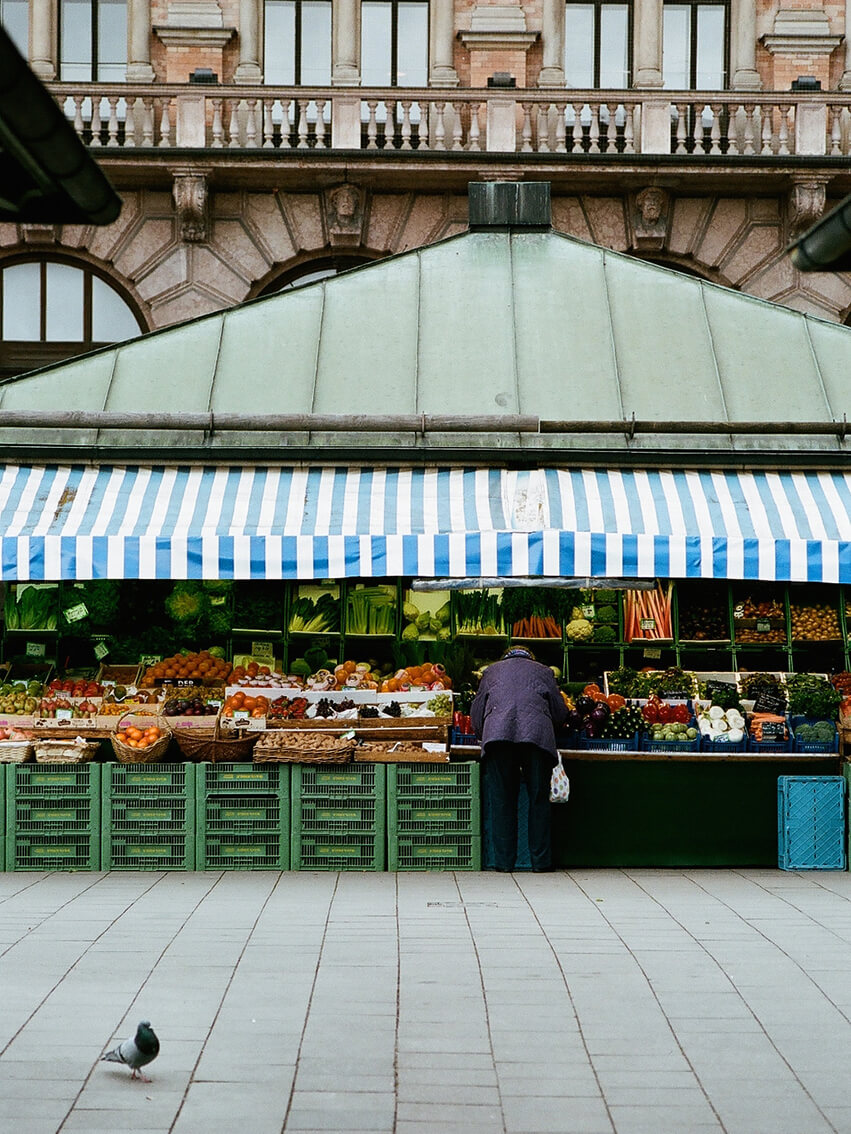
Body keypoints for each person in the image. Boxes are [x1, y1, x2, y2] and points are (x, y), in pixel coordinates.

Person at [471, 646, 568, 872]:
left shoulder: (491, 672)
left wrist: (482, 733)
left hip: (498, 738)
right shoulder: (544, 671)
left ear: (505, 656)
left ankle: (504, 863)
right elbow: (559, 711)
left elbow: (476, 711)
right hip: (536, 738)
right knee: (538, 799)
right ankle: (541, 862)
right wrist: (552, 728)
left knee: (502, 800)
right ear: (531, 658)